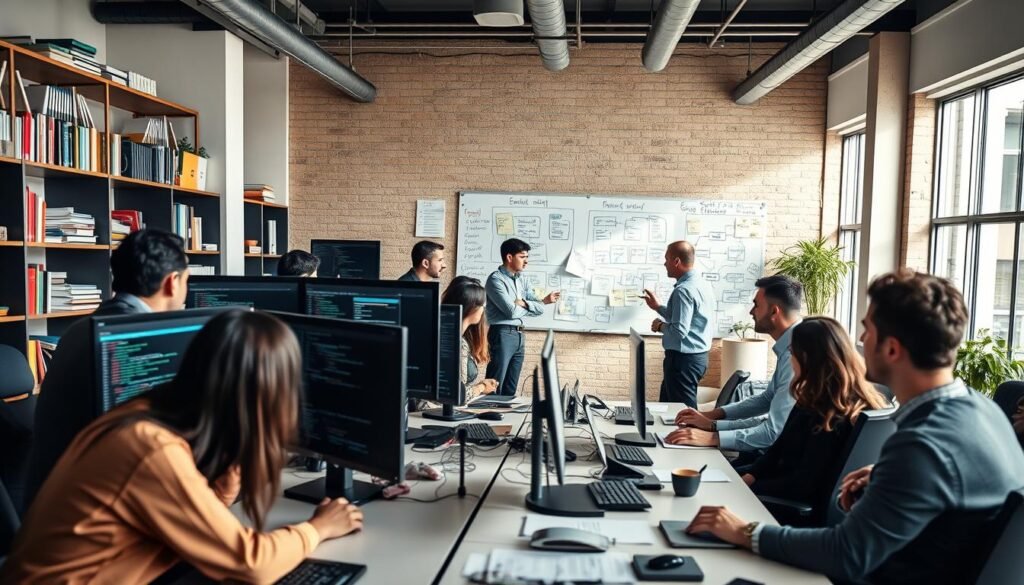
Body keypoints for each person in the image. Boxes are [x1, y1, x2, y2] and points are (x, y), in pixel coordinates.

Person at [685, 270, 1024, 585]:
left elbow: (844, 554)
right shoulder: (984, 410)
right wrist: (885, 476)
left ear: (891, 349)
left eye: (867, 330)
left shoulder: (921, 445)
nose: (859, 340)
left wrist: (745, 531)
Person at [1, 310, 365, 583]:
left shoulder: (150, 411)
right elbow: (251, 563)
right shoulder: (150, 447)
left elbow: (200, 520)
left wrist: (234, 461)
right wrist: (319, 528)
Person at [24, 229, 190, 509]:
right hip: (92, 514)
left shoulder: (84, 328)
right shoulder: (138, 339)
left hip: (52, 504)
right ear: (173, 283)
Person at [741, 317, 888, 526]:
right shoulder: (820, 399)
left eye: (793, 354)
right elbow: (777, 451)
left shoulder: (830, 414)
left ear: (808, 358)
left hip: (791, 509)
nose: (790, 361)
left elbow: (803, 484)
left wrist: (745, 487)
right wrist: (749, 476)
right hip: (787, 494)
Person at [666, 275, 802, 467]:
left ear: (774, 311)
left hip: (780, 466)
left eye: (756, 305)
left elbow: (773, 432)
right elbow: (766, 400)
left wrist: (712, 437)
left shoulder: (796, 354)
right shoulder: (790, 346)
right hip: (771, 458)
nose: (751, 311)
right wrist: (712, 418)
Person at [641, 241, 716, 407]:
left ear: (676, 261)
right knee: (667, 409)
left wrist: (660, 326)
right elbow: (685, 318)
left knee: (684, 414)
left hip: (683, 361)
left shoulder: (683, 290)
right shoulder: (701, 284)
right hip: (695, 358)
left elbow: (679, 330)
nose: (664, 263)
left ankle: (690, 434)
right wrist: (658, 307)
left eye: (667, 259)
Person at [485, 238, 560, 396]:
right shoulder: (495, 280)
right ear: (509, 257)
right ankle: (489, 415)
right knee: (494, 384)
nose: (526, 262)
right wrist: (536, 304)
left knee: (511, 387)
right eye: (522, 257)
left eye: (527, 257)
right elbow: (511, 312)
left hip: (519, 335)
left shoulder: (523, 279)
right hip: (502, 333)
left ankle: (504, 418)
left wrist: (524, 303)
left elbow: (539, 308)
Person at [442, 276, 499, 397]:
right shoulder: (457, 342)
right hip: (434, 411)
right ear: (472, 308)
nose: (484, 311)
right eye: (483, 306)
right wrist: (482, 387)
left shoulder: (449, 334)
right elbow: (457, 394)